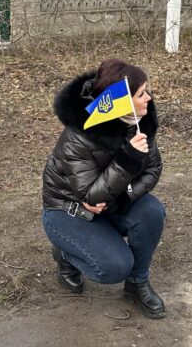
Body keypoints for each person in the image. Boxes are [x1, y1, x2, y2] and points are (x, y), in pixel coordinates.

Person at [41, 58, 167, 318]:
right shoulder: (79, 136)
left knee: (152, 211)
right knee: (113, 267)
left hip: (110, 203)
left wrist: (125, 198)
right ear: (120, 101)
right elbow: (90, 196)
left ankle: (137, 283)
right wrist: (128, 159)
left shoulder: (139, 122)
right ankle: (65, 253)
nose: (149, 99)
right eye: (142, 94)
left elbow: (154, 169)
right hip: (68, 210)